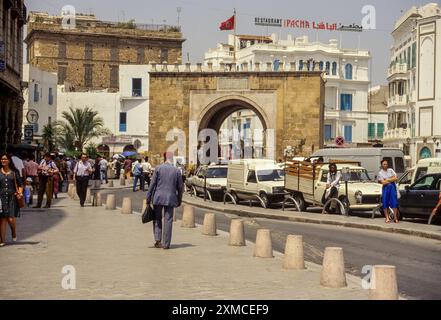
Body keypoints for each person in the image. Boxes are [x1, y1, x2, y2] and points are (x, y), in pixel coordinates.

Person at [146, 152, 184, 250]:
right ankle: (166, 244)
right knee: (168, 220)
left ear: (164, 157)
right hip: (171, 198)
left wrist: (148, 197)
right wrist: (179, 199)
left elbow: (152, 184)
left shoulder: (158, 168)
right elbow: (180, 188)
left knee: (157, 218)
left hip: (158, 197)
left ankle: (158, 240)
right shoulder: (176, 171)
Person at [0, 153, 23, 246]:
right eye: (2, 159)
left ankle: (13, 231)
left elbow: (20, 184)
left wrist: (20, 193)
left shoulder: (14, 172)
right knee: (2, 219)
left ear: (9, 160)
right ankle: (2, 240)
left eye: (5, 159)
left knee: (10, 219)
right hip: (1, 198)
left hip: (12, 197)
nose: (3, 161)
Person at [378, 159, 399, 223]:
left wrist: (386, 179)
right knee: (385, 202)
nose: (385, 165)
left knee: (394, 202)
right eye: (384, 164)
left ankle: (395, 217)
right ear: (381, 165)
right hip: (385, 188)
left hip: (392, 188)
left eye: (386, 164)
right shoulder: (380, 173)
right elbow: (383, 183)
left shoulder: (391, 170)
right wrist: (391, 179)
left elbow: (396, 178)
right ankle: (387, 218)